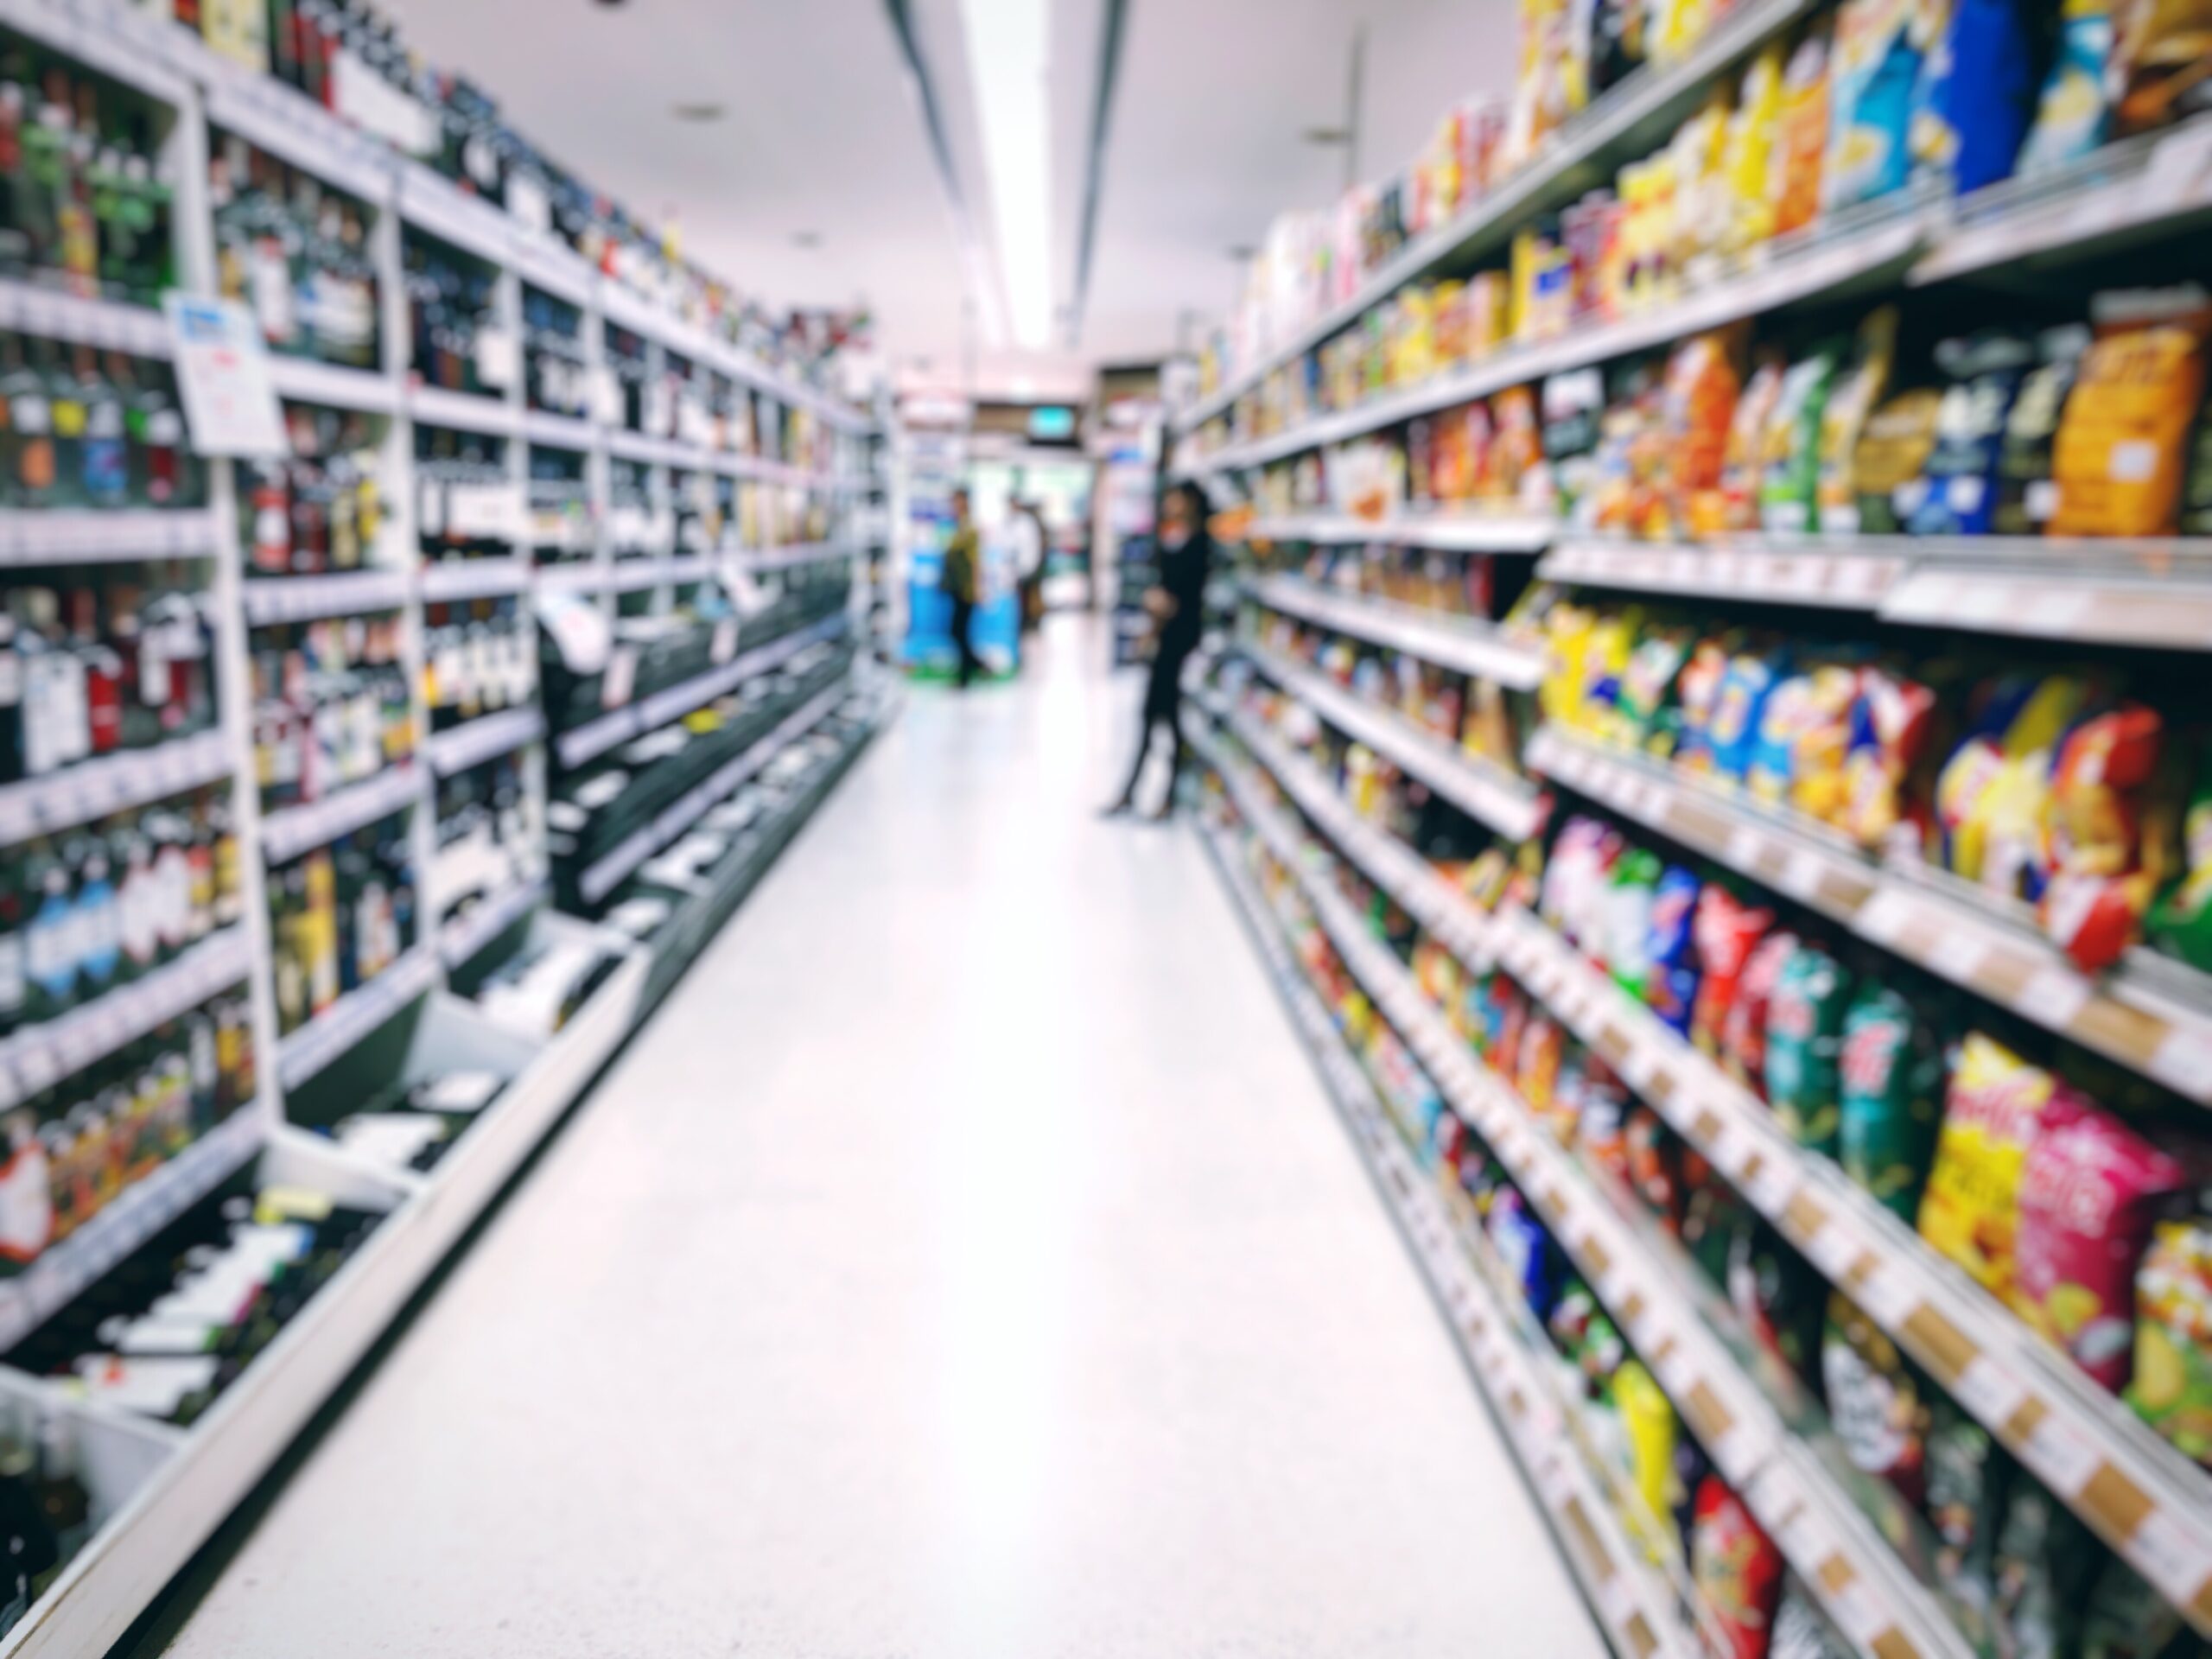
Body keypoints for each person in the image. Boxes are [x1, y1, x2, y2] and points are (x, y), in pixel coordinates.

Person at [1104, 482, 1213, 820]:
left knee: (1163, 719)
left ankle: (1158, 795)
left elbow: (1180, 595)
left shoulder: (1200, 543)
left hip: (1181, 643)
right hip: (1164, 640)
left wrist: (1160, 607)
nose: (1170, 503)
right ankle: (1138, 792)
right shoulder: (1170, 537)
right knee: (1154, 718)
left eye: (1176, 497)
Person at [941, 488, 983, 690]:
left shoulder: (970, 528)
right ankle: (976, 666)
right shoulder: (959, 527)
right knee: (957, 631)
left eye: (957, 501)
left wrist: (977, 588)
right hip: (957, 589)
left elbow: (975, 561)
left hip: (966, 589)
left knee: (959, 631)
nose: (954, 505)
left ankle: (970, 672)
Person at [1008, 499, 1048, 634]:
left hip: (1033, 566)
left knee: (1033, 596)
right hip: (1029, 566)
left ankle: (1033, 622)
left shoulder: (1028, 523)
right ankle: (1029, 621)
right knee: (1028, 597)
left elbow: (1035, 547)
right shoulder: (1022, 523)